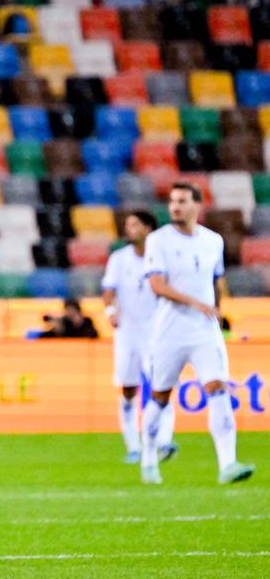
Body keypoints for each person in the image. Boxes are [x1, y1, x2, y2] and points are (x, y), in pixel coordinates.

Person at [140, 182, 255, 485]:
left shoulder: (213, 241)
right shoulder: (158, 240)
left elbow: (216, 281)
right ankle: (149, 459)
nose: (174, 207)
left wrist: (216, 312)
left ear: (197, 205)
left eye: (181, 201)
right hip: (169, 331)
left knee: (218, 390)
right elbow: (157, 285)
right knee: (160, 397)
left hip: (204, 330)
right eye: (172, 201)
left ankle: (228, 464)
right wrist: (197, 303)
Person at [102, 211, 170, 465]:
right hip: (127, 333)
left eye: (135, 225)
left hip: (156, 332)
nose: (129, 229)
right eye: (127, 224)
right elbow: (108, 290)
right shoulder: (119, 259)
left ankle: (164, 440)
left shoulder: (162, 258)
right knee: (129, 389)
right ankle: (133, 445)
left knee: (160, 385)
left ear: (149, 229)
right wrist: (110, 311)